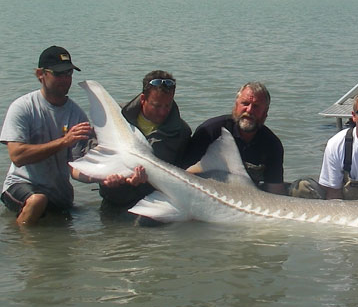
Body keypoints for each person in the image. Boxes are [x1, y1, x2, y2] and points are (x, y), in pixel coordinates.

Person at [0, 46, 140, 225]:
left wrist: (107, 178)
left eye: (68, 73)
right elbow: (17, 156)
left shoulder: (76, 115)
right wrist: (63, 141)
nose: (65, 79)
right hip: (22, 184)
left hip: (60, 195)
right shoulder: (23, 107)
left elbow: (75, 169)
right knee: (37, 201)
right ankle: (23, 248)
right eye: (58, 74)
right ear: (40, 74)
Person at [98, 71, 192, 209]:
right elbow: (96, 149)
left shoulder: (182, 132)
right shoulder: (116, 117)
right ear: (143, 99)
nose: (163, 112)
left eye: (167, 105)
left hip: (151, 204)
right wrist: (106, 177)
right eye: (157, 105)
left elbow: (182, 177)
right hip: (113, 198)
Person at [182, 82, 286, 195]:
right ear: (236, 106)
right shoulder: (210, 131)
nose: (249, 110)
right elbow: (183, 174)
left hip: (247, 195)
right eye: (245, 103)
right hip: (203, 191)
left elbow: (275, 190)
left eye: (256, 106)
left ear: (265, 113)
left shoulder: (272, 144)